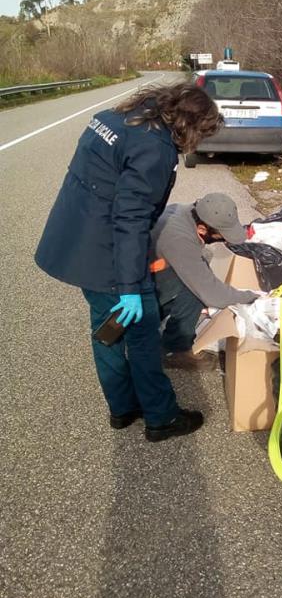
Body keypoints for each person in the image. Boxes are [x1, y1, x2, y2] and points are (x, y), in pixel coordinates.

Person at [34, 81, 222, 442]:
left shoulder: (116, 118)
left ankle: (122, 408)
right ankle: (161, 417)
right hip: (109, 254)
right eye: (202, 133)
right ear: (189, 123)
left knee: (106, 331)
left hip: (78, 243)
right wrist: (130, 287)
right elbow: (131, 219)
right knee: (142, 334)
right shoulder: (154, 148)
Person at [150, 193, 258, 369]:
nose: (224, 239)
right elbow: (213, 295)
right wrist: (253, 297)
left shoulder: (185, 211)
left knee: (200, 271)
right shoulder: (178, 237)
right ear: (202, 229)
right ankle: (174, 350)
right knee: (196, 292)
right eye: (221, 235)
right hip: (134, 291)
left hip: (150, 274)